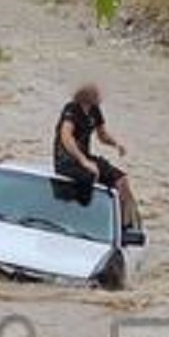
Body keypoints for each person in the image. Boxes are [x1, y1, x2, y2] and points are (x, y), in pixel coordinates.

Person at [54, 83, 140, 229]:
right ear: (87, 94)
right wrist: (83, 160)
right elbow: (66, 136)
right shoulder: (71, 109)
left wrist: (116, 144)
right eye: (97, 92)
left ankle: (126, 226)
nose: (101, 94)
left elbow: (102, 135)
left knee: (121, 180)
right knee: (90, 174)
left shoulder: (95, 110)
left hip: (86, 157)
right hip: (66, 160)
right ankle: (80, 215)